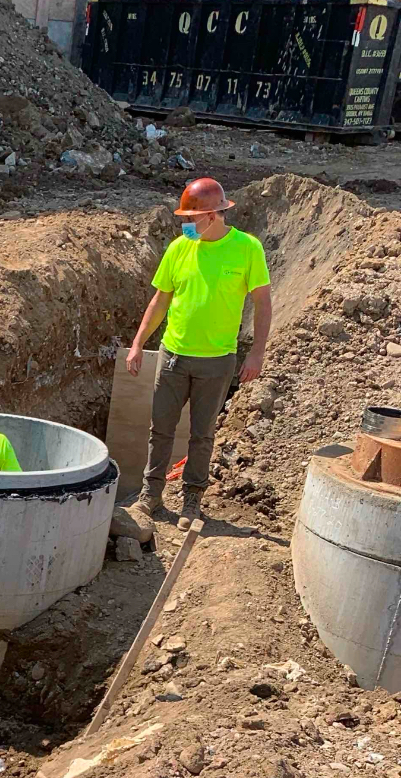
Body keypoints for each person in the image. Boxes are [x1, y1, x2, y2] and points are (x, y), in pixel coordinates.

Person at [127, 177, 272, 527]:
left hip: (218, 361)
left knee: (202, 434)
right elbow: (160, 300)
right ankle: (150, 497)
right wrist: (137, 343)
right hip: (173, 355)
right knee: (160, 429)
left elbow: (263, 302)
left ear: (212, 215)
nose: (186, 225)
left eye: (190, 218)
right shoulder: (179, 248)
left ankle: (192, 501)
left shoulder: (247, 248)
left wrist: (256, 353)